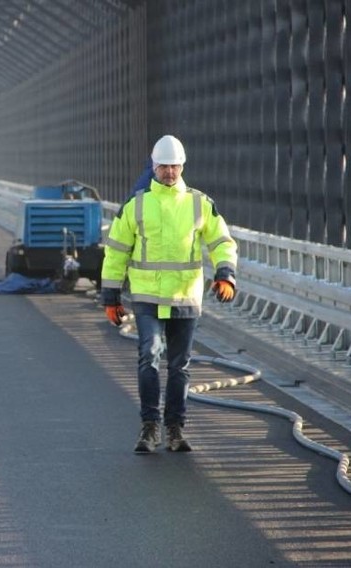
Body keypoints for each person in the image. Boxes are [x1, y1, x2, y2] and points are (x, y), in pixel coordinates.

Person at [100, 135, 237, 453]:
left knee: (180, 366)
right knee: (149, 356)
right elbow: (116, 252)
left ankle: (175, 429)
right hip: (147, 298)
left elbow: (221, 241)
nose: (170, 172)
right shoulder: (136, 205)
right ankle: (149, 427)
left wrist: (225, 274)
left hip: (185, 298)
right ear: (153, 166)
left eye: (175, 166)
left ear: (182, 166)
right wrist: (111, 298)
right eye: (164, 166)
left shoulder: (198, 203)